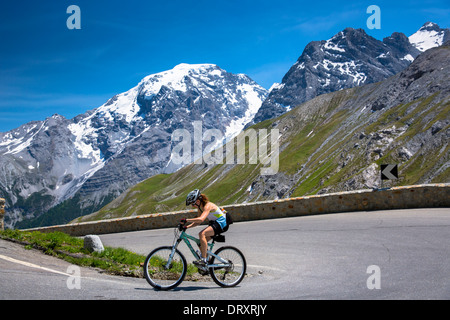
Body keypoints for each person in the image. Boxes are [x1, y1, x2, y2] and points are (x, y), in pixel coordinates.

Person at [182, 189, 230, 267]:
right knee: (200, 243)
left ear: (197, 201)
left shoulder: (208, 206)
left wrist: (186, 220)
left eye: (192, 204)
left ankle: (203, 260)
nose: (192, 206)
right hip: (215, 223)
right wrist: (186, 227)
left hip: (222, 223)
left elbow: (201, 219)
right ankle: (209, 262)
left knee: (202, 234)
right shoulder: (200, 207)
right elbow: (198, 222)